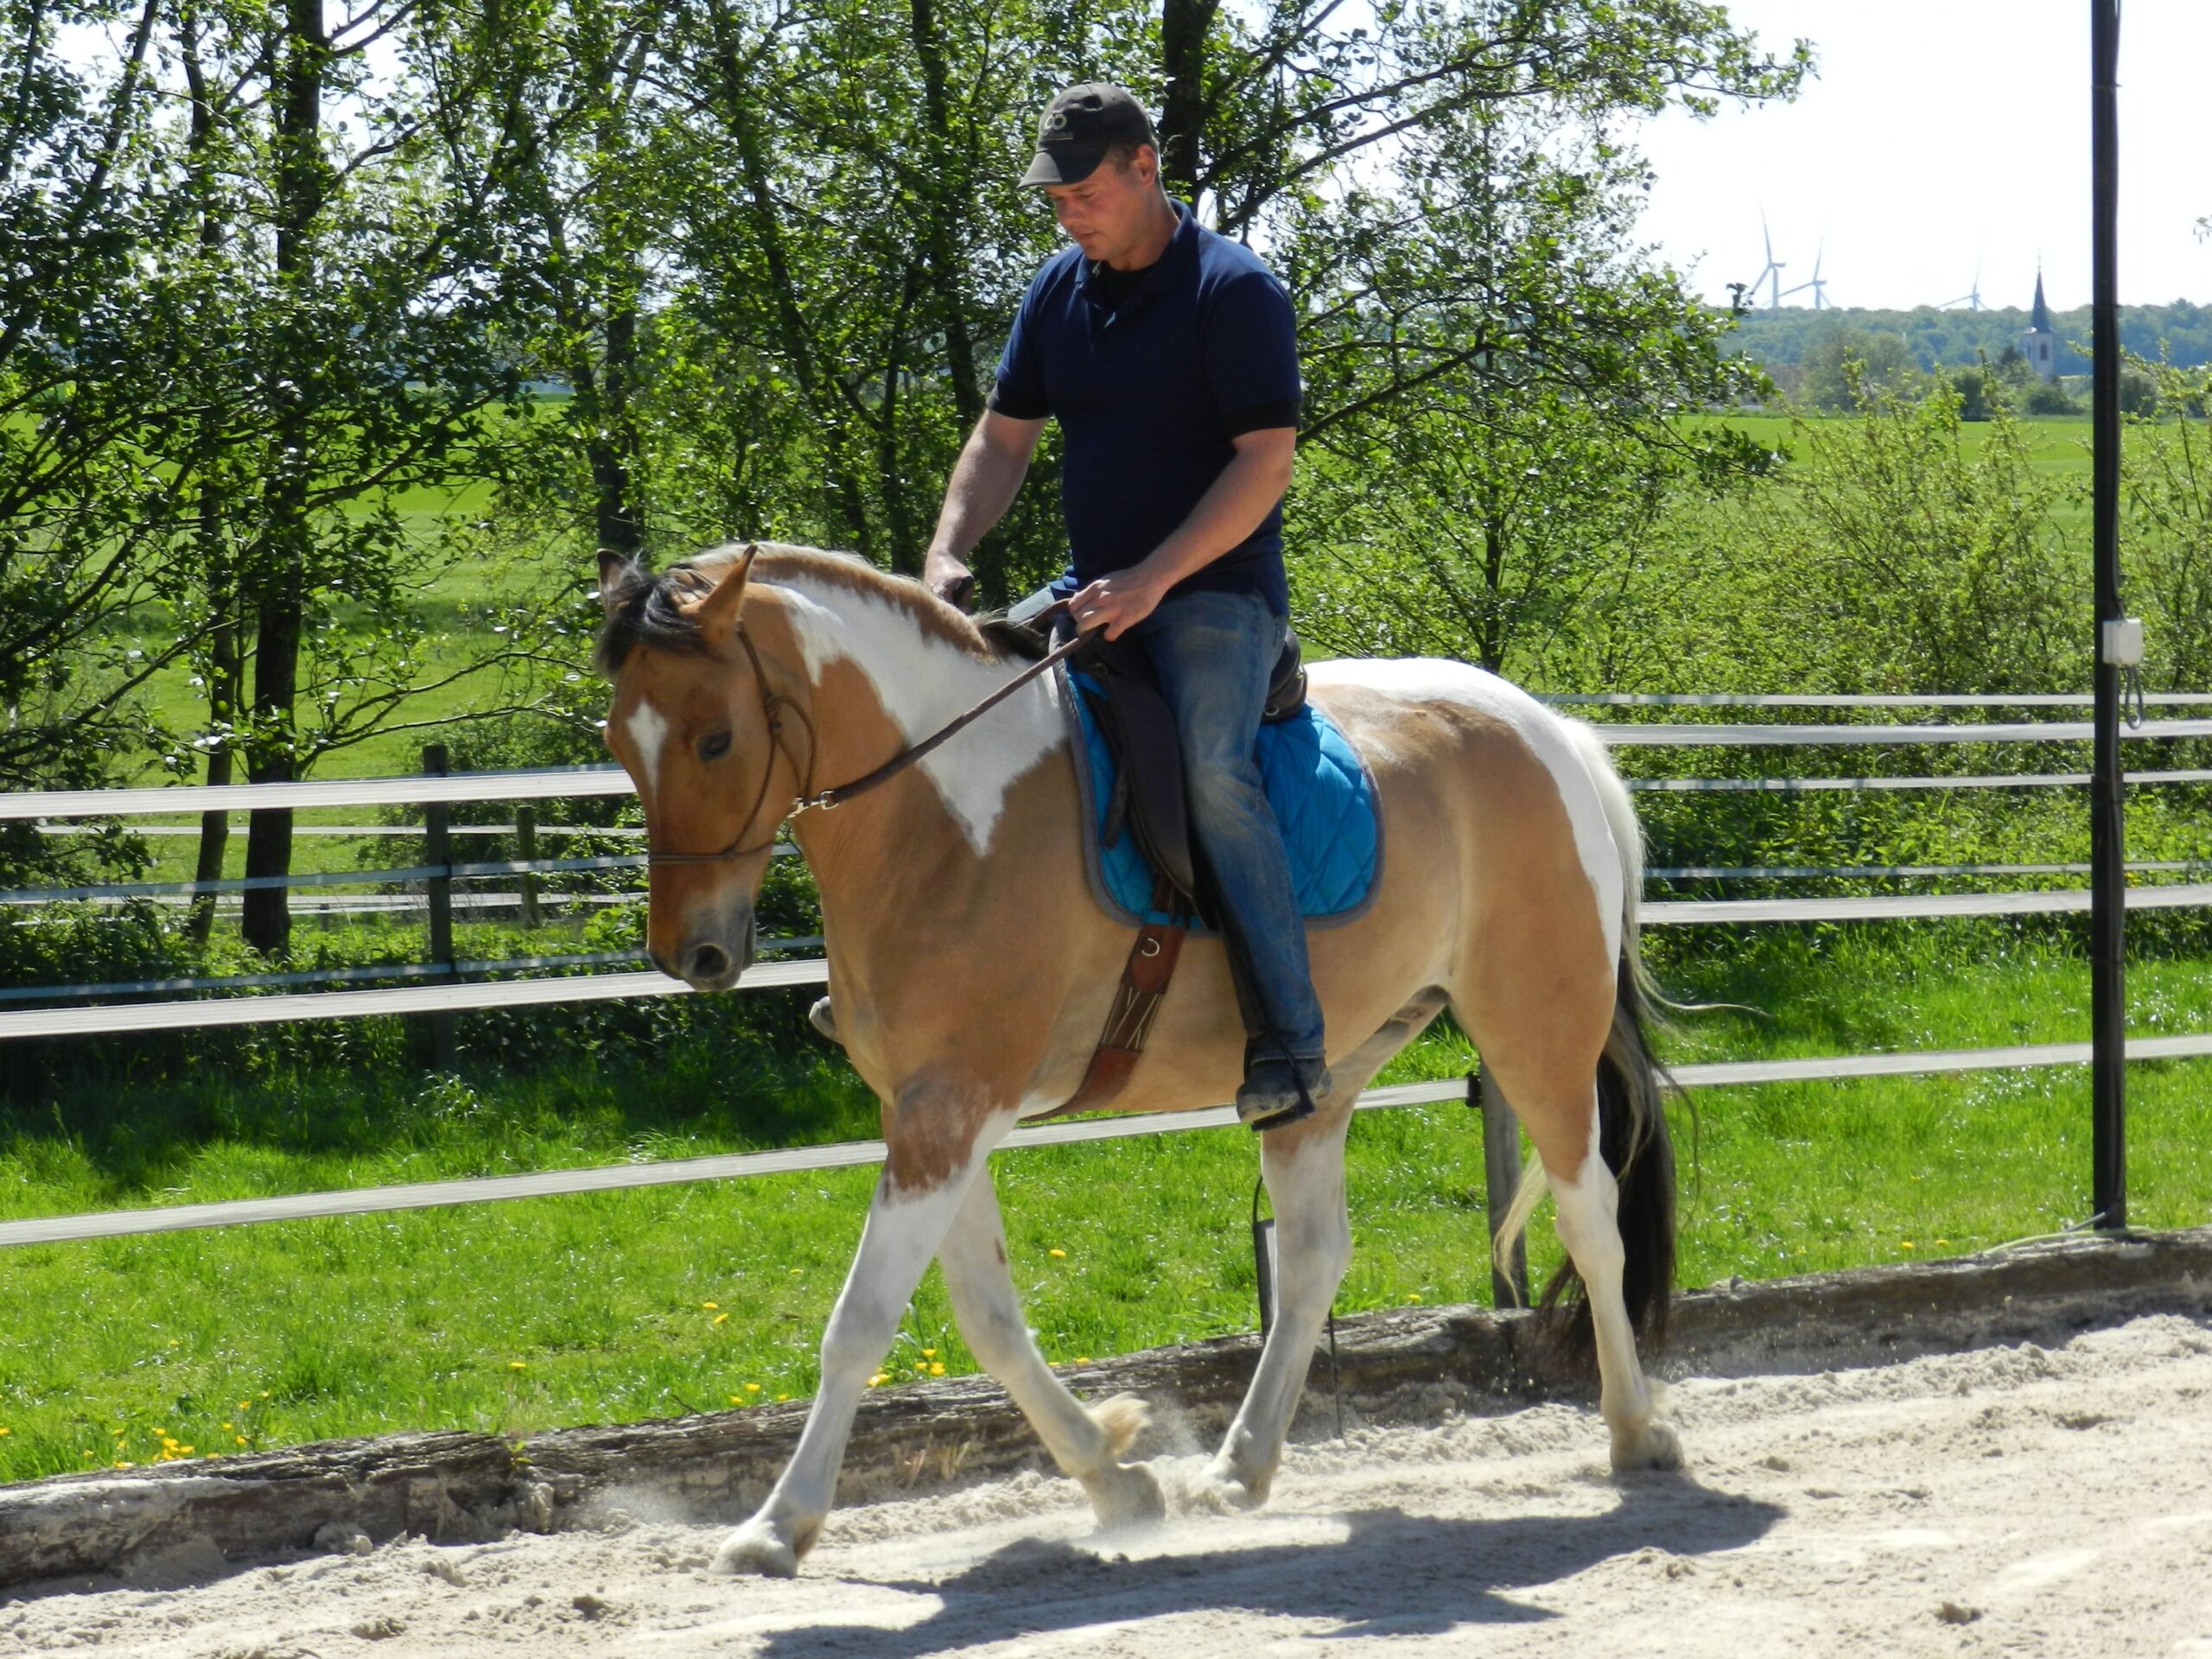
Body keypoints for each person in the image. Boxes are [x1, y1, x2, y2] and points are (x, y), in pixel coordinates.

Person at [922, 82, 1328, 1130]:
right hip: (1093, 590)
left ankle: (1289, 1038)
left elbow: (1263, 466)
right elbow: (1001, 439)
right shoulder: (1058, 290)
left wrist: (1154, 577)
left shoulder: (1232, 291)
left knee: (1212, 771)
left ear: (1144, 167)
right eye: (1055, 201)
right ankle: (924, 984)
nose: (1068, 215)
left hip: (1215, 597)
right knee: (955, 721)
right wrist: (946, 550)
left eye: (1084, 193)